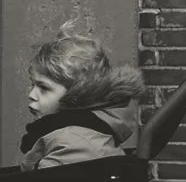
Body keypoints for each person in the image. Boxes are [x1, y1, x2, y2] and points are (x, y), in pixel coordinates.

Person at [19, 23, 146, 170]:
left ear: (77, 95)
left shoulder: (74, 146)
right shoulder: (74, 134)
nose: (31, 95)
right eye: (32, 85)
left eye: (44, 87)